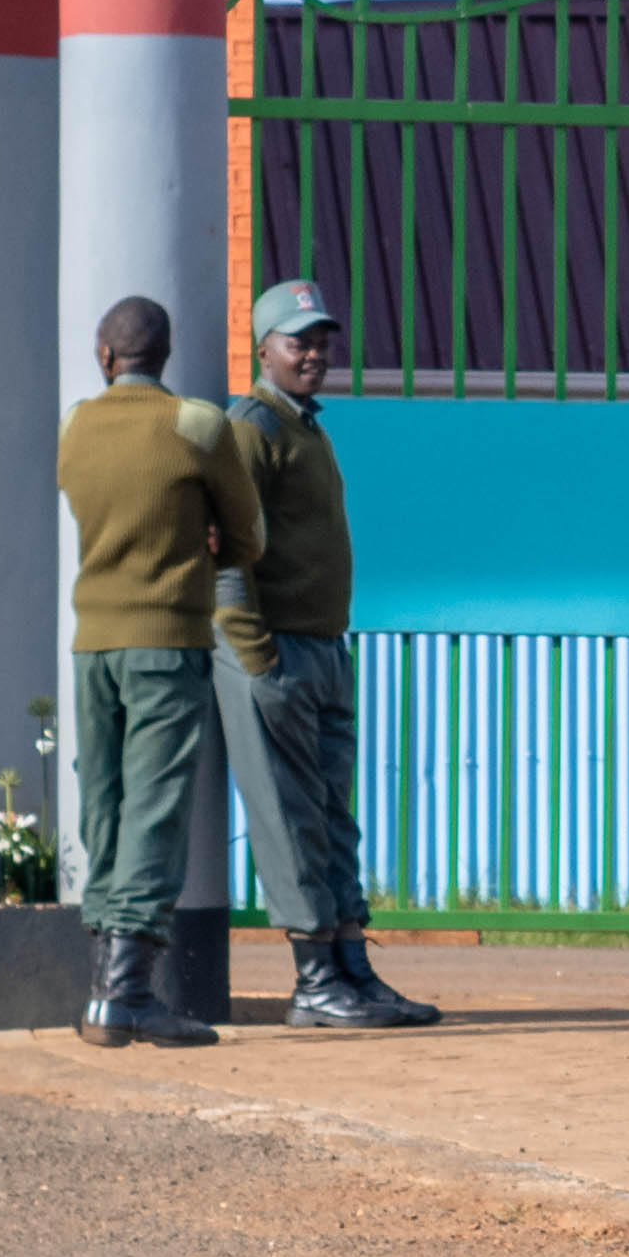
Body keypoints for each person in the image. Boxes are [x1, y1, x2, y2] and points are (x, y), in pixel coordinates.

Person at [212, 277, 438, 1031]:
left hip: (321, 649)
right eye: (297, 342)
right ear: (263, 350)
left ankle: (352, 969)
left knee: (334, 818)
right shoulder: (251, 428)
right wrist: (255, 653)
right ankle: (313, 981)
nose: (313, 354)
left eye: (320, 341)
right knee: (291, 819)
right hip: (273, 653)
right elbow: (225, 546)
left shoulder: (306, 427)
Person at [53, 293, 265, 1055]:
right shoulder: (197, 425)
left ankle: (101, 988)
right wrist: (206, 540)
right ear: (165, 354)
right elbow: (248, 536)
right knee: (155, 808)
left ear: (105, 356)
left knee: (104, 802)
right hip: (167, 642)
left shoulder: (75, 425)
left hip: (93, 644)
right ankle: (129, 994)